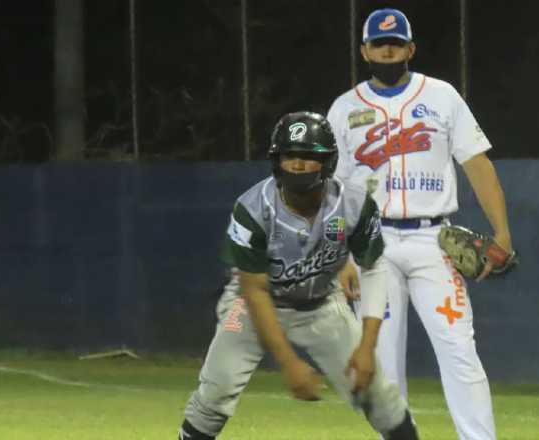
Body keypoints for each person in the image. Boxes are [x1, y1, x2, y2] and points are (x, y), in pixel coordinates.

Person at [327, 9, 514, 440]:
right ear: (364, 50)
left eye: (395, 43)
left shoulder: (443, 96)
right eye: (378, 43)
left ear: (411, 48)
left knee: (460, 351)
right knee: (384, 363)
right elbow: (331, 192)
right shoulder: (344, 109)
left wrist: (501, 232)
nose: (386, 50)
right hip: (371, 246)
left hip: (435, 240)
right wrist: (339, 255)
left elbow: (477, 163)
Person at [177, 111, 419, 440]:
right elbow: (255, 290)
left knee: (378, 396)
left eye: (309, 156)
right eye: (291, 155)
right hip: (250, 306)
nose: (299, 164)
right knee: (215, 391)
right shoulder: (252, 208)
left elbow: (374, 269)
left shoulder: (353, 204)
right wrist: (288, 363)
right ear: (277, 160)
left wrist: (367, 345)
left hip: (320, 302)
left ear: (328, 161)